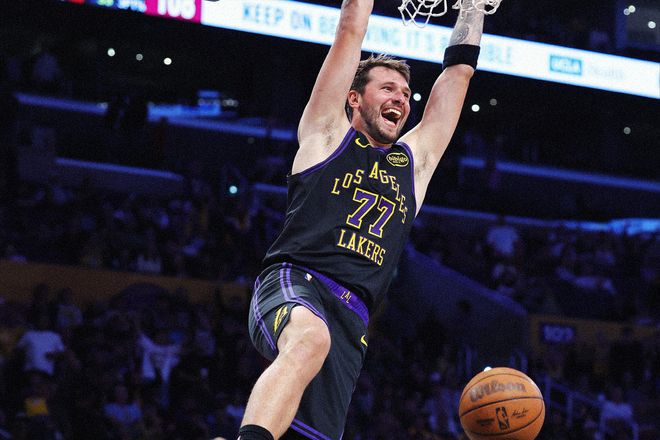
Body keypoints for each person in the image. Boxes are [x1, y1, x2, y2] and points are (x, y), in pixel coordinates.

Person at [239, 1, 491, 439]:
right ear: (354, 98)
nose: (401, 99)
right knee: (310, 339)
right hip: (297, 280)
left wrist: (474, 8)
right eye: (388, 88)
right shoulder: (327, 135)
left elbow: (458, 75)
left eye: (406, 94)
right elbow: (351, 27)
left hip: (353, 317)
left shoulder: (413, 165)